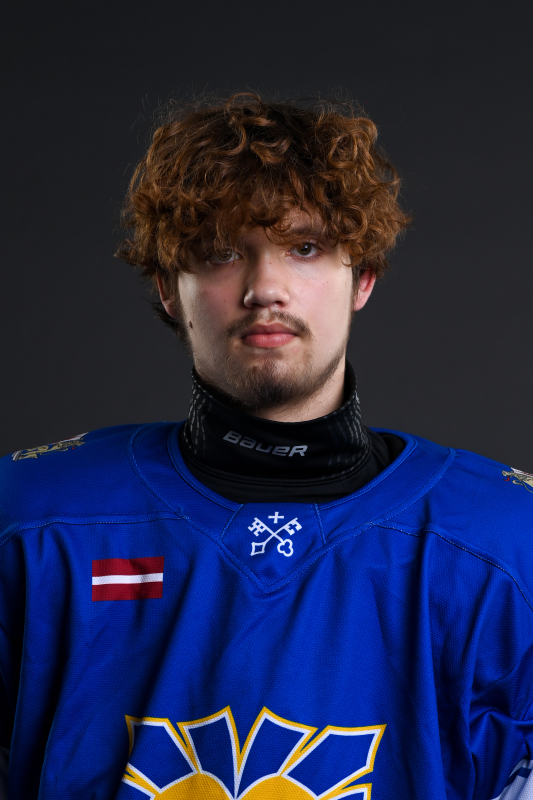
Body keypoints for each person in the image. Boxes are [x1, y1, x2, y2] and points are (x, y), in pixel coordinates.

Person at [1, 92, 532, 800]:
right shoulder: (32, 521)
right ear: (169, 288)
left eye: (305, 247)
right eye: (221, 252)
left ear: (362, 277)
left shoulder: (507, 543)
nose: (265, 288)